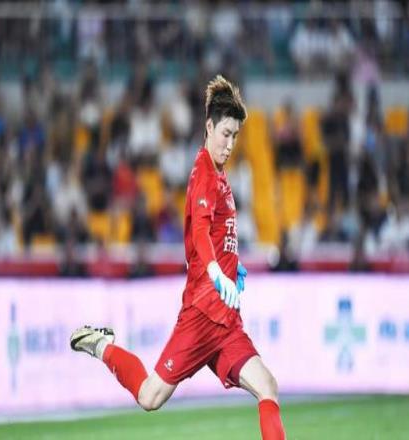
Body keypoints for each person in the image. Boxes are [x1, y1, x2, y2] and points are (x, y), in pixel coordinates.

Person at [70, 75, 286, 440]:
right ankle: (101, 345)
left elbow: (218, 234)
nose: (230, 144)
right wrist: (216, 271)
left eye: (235, 136)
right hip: (202, 314)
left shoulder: (221, 177)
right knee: (150, 396)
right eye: (225, 134)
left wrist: (233, 265)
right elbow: (200, 231)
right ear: (208, 127)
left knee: (268, 386)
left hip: (226, 319)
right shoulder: (204, 174)